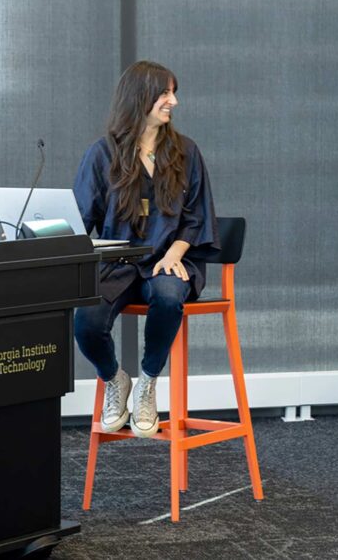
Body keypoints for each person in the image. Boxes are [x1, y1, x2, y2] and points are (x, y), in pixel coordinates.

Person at [74, 60, 218, 438]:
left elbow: (196, 216)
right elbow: (78, 220)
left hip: (170, 260)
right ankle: (115, 380)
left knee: (170, 296)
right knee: (85, 321)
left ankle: (148, 384)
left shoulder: (186, 152)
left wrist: (175, 253)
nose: (174, 101)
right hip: (118, 265)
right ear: (141, 98)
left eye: (174, 92)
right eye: (165, 93)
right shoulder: (101, 155)